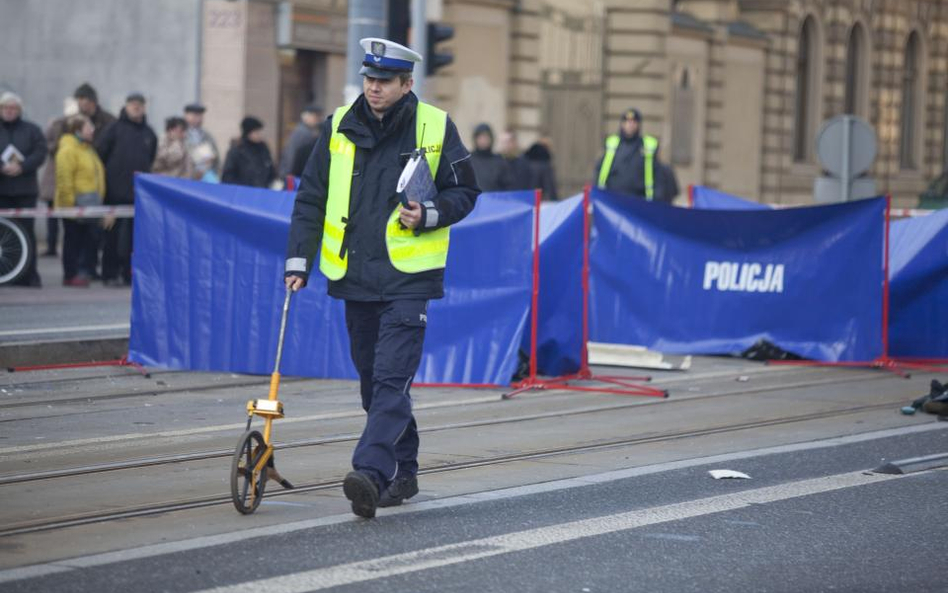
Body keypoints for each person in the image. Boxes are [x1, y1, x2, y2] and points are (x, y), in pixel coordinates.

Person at [284, 37, 479, 519]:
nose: (374, 89)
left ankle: (369, 473)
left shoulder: (435, 126)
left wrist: (429, 213)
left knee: (392, 379)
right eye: (369, 79)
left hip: (410, 279)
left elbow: (466, 191)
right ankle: (405, 471)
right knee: (375, 384)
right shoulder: (336, 128)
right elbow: (310, 199)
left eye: (384, 82)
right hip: (355, 275)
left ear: (406, 84)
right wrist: (298, 261)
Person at [96, 92, 157, 286]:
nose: (136, 107)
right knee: (112, 236)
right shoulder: (113, 128)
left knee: (134, 238)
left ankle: (128, 274)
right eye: (133, 104)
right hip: (113, 193)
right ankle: (109, 274)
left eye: (140, 104)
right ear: (126, 106)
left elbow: (150, 159)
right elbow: (100, 154)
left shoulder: (149, 133)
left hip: (137, 194)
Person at [0, 92, 47, 287]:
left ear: (19, 110)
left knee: (27, 233)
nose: (9, 111)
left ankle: (29, 275)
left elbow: (40, 152)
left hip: (25, 190)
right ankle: (7, 273)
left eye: (13, 108)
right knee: (4, 235)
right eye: (6, 108)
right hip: (2, 190)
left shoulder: (32, 130)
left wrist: (23, 166)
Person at [55, 114, 105, 287]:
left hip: (90, 203)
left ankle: (82, 272)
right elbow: (64, 180)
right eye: (88, 127)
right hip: (75, 205)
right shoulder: (68, 150)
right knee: (72, 241)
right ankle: (71, 274)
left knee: (86, 240)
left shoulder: (87, 149)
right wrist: (69, 207)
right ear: (77, 130)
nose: (92, 130)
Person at [595, 108, 668, 201]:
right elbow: (599, 171)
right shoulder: (612, 144)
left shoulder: (647, 146)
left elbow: (657, 176)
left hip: (639, 201)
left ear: (638, 125)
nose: (630, 125)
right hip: (613, 201)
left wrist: (656, 198)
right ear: (622, 124)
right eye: (627, 122)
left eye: (634, 122)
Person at [38, 98, 80, 257]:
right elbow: (46, 144)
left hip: (69, 176)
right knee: (52, 217)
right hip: (54, 176)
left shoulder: (79, 125)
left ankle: (69, 247)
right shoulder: (56, 125)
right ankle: (51, 245)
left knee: (68, 218)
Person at [221, 117, 276, 188]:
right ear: (248, 133)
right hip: (243, 193)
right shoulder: (237, 151)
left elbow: (271, 171)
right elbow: (228, 176)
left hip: (263, 191)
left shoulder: (263, 149)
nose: (259, 135)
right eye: (256, 132)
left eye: (260, 132)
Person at [279, 104, 323, 179]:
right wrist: (288, 173)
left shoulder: (310, 131)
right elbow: (292, 152)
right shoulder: (302, 132)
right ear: (306, 117)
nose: (317, 119)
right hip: (296, 174)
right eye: (315, 116)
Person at [469, 122, 511, 192]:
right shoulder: (468, 160)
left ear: (491, 139)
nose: (483, 140)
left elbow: (507, 186)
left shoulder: (499, 161)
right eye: (480, 137)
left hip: (494, 200)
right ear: (475, 139)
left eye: (486, 137)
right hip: (473, 201)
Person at [183, 103, 219, 181]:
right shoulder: (181, 134)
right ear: (186, 116)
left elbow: (215, 156)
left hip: (205, 174)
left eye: (200, 115)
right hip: (186, 176)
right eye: (195, 115)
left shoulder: (207, 135)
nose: (198, 118)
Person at [524, 135, 558, 200]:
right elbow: (549, 185)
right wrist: (554, 200)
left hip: (525, 197)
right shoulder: (545, 164)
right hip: (538, 199)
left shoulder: (524, 160)